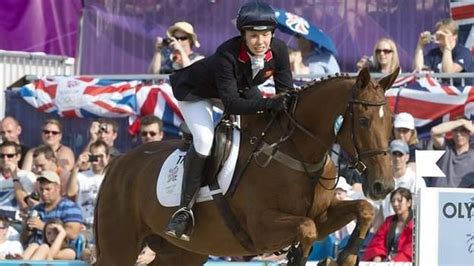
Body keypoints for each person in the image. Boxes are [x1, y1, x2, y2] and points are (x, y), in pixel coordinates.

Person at [164, 0, 294, 241]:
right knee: (204, 140)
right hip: (196, 94)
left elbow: (286, 93)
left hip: (237, 90)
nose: (261, 42)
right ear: (243, 35)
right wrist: (268, 103)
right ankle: (183, 212)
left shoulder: (279, 51)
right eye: (254, 36)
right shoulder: (227, 54)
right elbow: (233, 104)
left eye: (265, 35)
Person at [21, 171, 83, 256]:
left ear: (58, 188)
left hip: (61, 251)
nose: (43, 193)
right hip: (35, 248)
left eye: (48, 189)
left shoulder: (70, 207)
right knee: (33, 247)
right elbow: (24, 239)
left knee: (41, 249)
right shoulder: (36, 209)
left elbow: (72, 234)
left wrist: (43, 227)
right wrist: (27, 228)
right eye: (41, 189)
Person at [375, 140, 425, 225]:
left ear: (407, 157)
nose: (397, 159)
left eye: (400, 155)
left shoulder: (417, 181)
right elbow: (380, 210)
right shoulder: (382, 181)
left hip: (409, 230)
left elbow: (422, 210)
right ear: (389, 156)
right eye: (394, 154)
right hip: (388, 230)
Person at [412, 18, 473, 85]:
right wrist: (420, 46)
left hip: (461, 93)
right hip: (439, 93)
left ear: (454, 36)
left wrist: (447, 46)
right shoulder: (433, 53)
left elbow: (448, 73)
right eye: (439, 33)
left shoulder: (464, 52)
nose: (442, 36)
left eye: (445, 33)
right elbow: (418, 70)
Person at [362, 187, 413, 262]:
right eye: (393, 201)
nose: (395, 204)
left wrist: (395, 261)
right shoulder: (389, 221)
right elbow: (378, 241)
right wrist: (377, 256)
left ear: (409, 203)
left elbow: (410, 248)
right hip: (387, 261)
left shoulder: (415, 223)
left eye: (399, 201)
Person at [66, 140, 109, 227]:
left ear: (107, 157)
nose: (97, 160)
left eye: (100, 156)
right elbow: (70, 192)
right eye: (94, 156)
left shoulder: (111, 176)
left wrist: (106, 165)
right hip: (84, 224)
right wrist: (76, 166)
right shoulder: (81, 176)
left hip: (105, 224)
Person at [427, 116, 474, 188]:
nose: (458, 134)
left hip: (465, 197)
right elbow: (434, 131)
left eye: (463, 130)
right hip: (439, 196)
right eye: (455, 130)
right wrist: (462, 122)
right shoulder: (445, 146)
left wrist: (471, 128)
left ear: (469, 132)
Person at [0, 141, 36, 212]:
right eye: (1, 156)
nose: (5, 159)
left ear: (18, 157)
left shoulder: (26, 176)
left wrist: (14, 176)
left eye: (10, 156)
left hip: (16, 220)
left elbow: (25, 205)